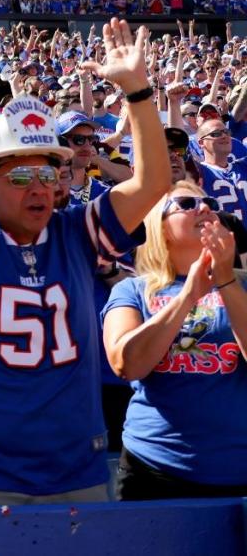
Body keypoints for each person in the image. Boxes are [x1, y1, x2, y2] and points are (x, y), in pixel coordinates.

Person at [0, 19, 170, 507]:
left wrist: (137, 91)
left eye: (49, 170)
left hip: (75, 467)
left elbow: (152, 184)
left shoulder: (76, 233)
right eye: (21, 174)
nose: (41, 186)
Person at [103, 182, 247, 500]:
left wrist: (225, 279)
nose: (205, 208)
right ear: (161, 229)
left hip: (239, 469)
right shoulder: (132, 291)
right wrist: (187, 296)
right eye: (186, 203)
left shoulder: (243, 285)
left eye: (208, 202)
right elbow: (127, 364)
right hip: (154, 470)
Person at [194, 117, 247, 222]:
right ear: (201, 143)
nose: (224, 136)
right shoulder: (198, 172)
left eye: (226, 132)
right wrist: (174, 104)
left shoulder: (244, 165)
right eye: (216, 134)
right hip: (222, 236)